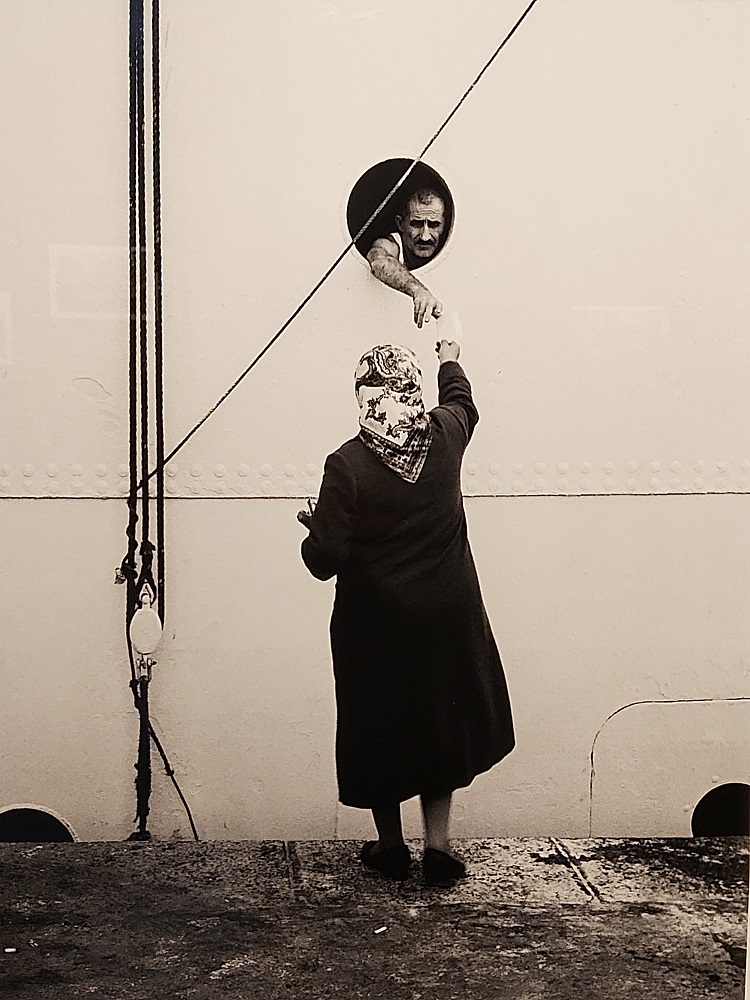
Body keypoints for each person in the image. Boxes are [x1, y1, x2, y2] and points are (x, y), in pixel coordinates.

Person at [297, 340, 515, 886]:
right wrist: (449, 357)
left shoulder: (347, 463)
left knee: (381, 725)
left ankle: (391, 847)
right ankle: (438, 847)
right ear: (410, 389)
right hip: (446, 616)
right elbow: (463, 402)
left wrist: (315, 528)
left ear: (364, 397)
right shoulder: (445, 437)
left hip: (375, 623)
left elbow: (324, 560)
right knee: (439, 719)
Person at [367, 189, 447, 329]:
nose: (425, 236)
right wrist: (418, 291)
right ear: (400, 224)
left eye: (434, 225)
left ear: (444, 225)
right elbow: (379, 261)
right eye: (416, 224)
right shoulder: (390, 244)